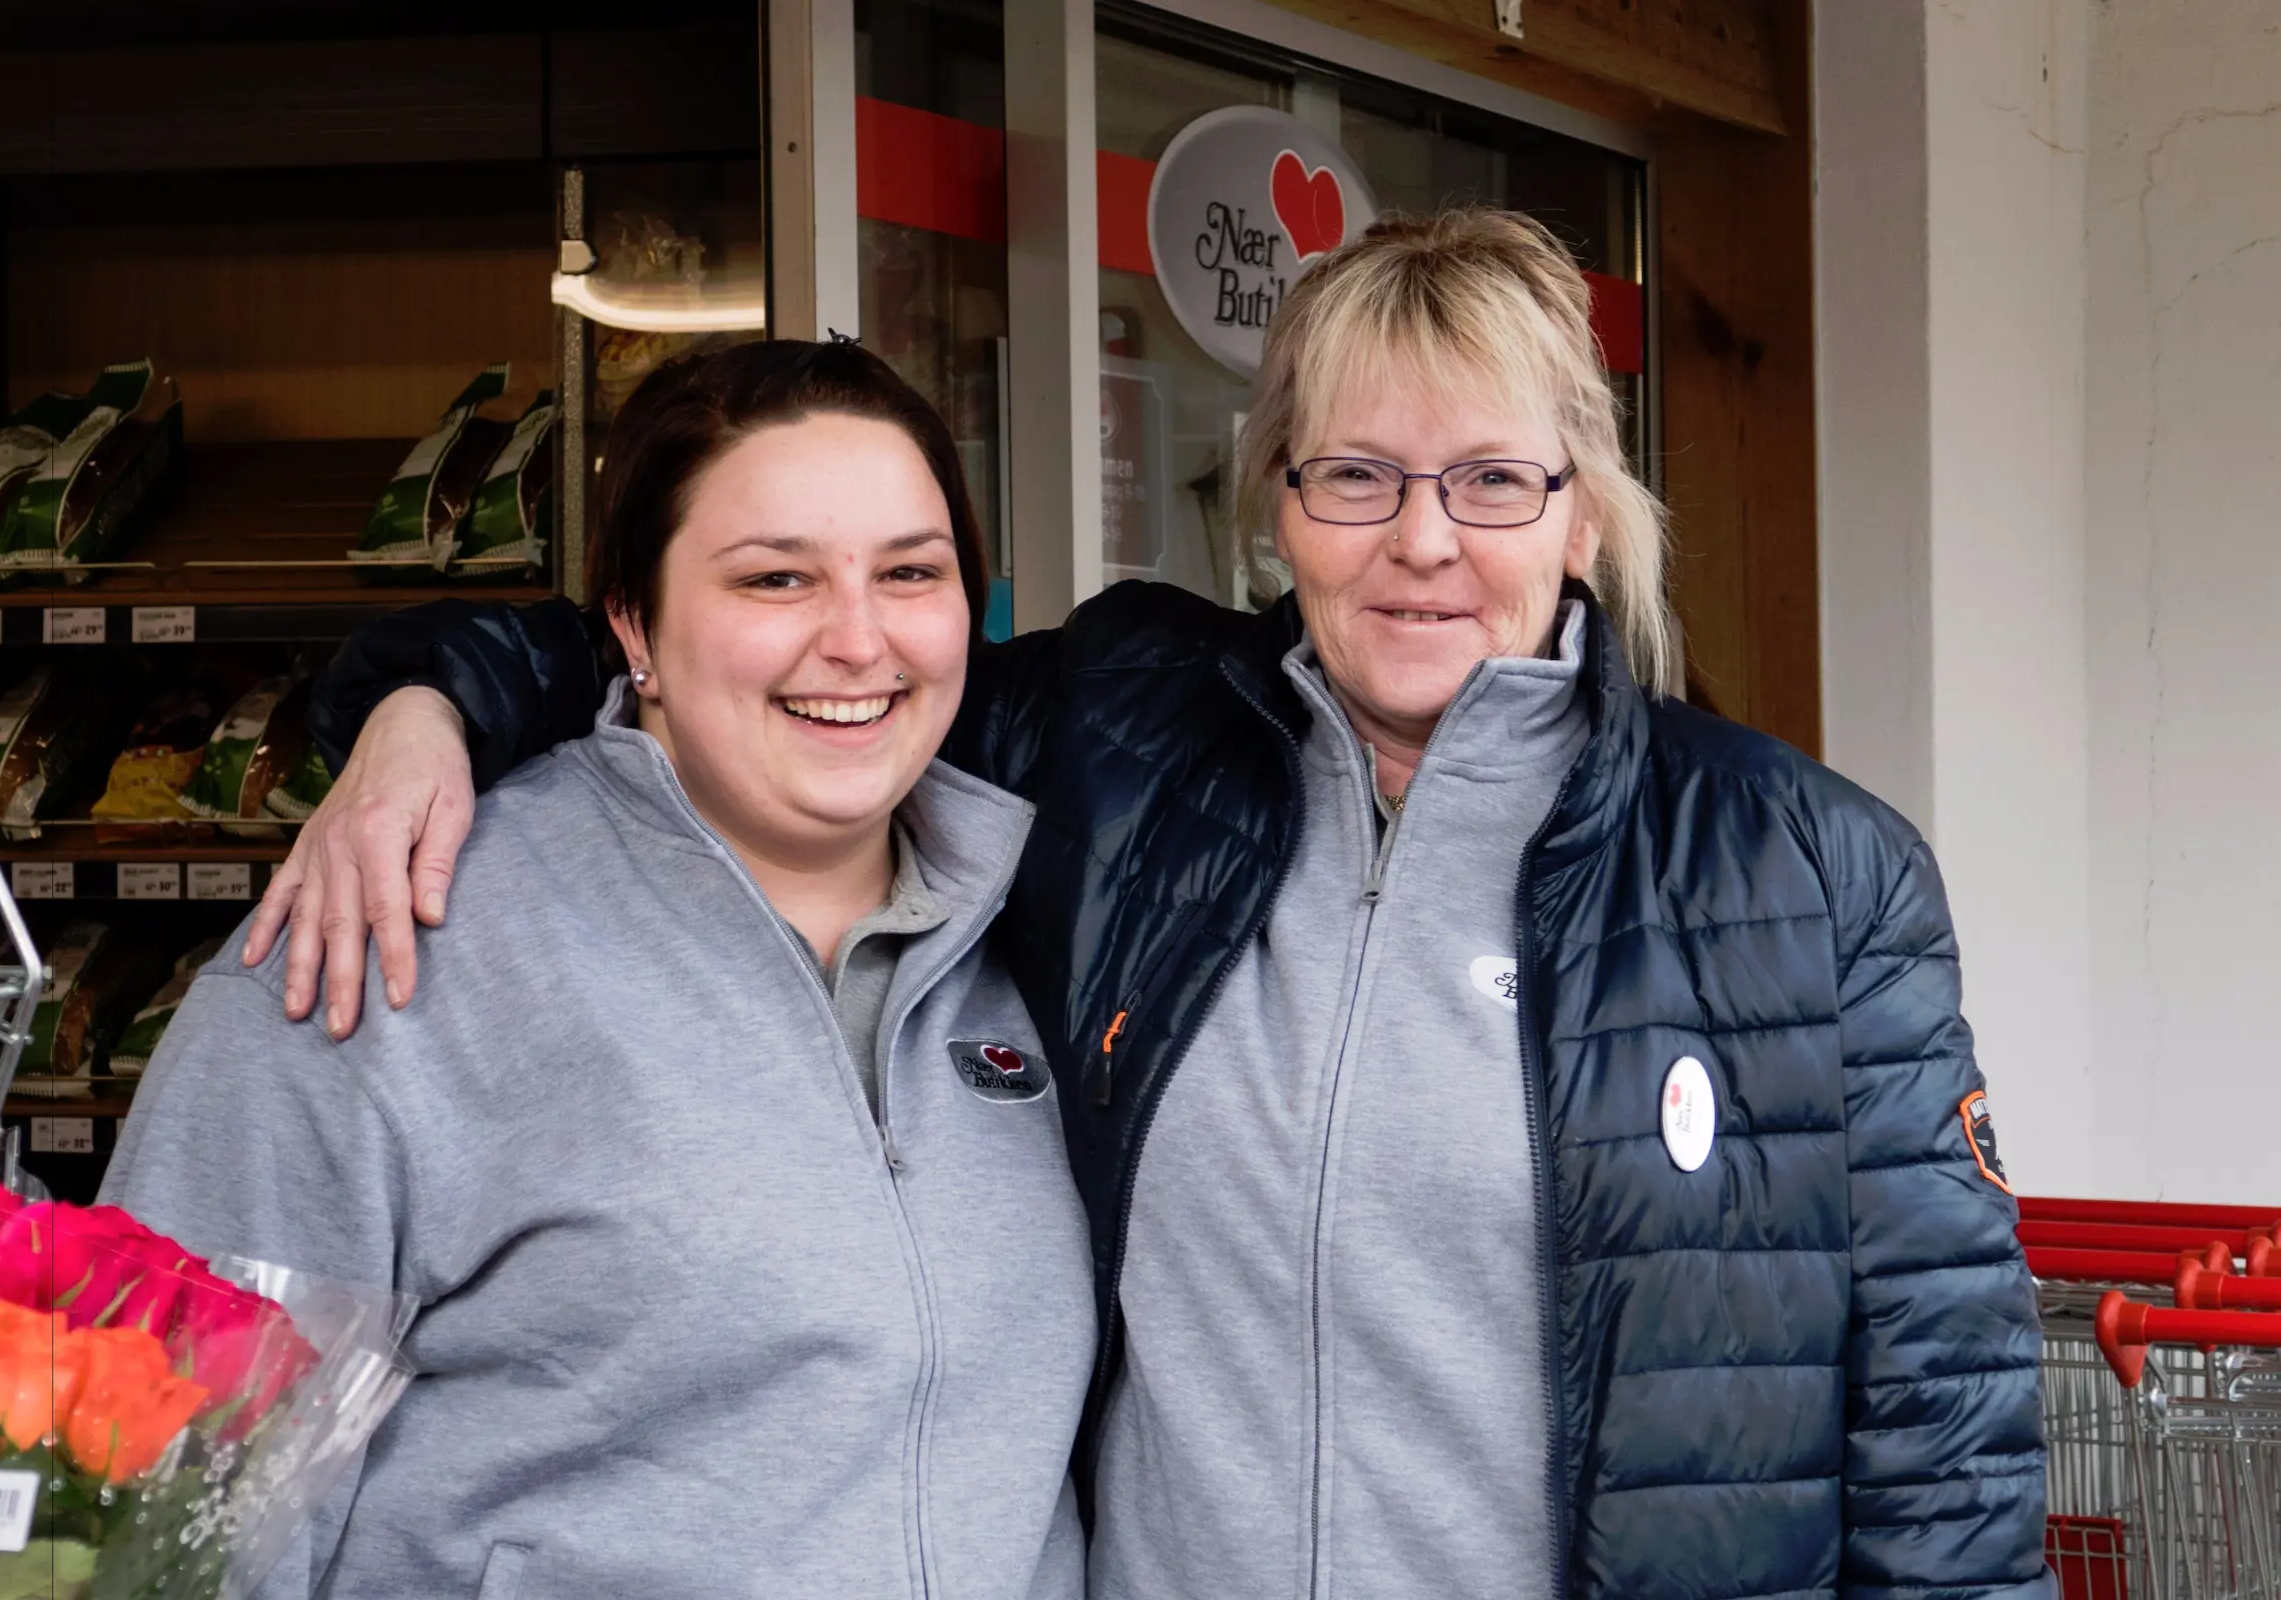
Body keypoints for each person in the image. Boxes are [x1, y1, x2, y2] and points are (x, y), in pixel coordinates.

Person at [251, 211, 2051, 1598]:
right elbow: (766, 658)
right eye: (1355, 475)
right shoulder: (1122, 743)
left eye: (1493, 480)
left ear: (1581, 517)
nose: (1423, 539)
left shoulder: (1802, 873)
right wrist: (419, 709)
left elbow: (1944, 1447)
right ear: (1277, 504)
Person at [104, 340, 1095, 1599]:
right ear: (633, 621)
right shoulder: (392, 940)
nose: (857, 639)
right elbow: (161, 1510)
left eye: (910, 571)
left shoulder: (1041, 924)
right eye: (774, 577)